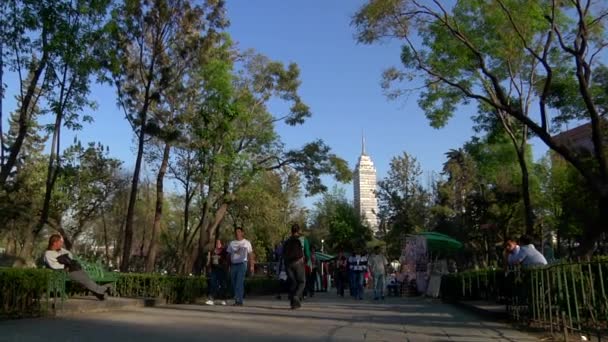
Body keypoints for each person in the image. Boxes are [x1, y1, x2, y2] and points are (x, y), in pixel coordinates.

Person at [44, 234, 110, 301]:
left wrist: (65, 257)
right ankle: (101, 290)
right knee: (84, 279)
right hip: (62, 272)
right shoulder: (48, 253)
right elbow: (54, 265)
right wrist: (65, 266)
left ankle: (99, 292)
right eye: (60, 242)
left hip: (71, 269)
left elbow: (69, 254)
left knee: (85, 278)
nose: (62, 244)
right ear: (54, 243)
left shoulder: (60, 250)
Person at [226, 227, 254, 306]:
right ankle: (237, 298)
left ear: (242, 233)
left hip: (242, 264)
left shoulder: (246, 242)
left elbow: (251, 254)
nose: (237, 233)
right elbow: (228, 255)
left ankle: (239, 300)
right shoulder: (232, 243)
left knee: (239, 282)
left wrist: (252, 266)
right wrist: (228, 266)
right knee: (234, 282)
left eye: (239, 232)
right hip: (233, 265)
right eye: (236, 232)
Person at [283, 223, 307, 309]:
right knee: (302, 281)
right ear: (298, 230)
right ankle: (296, 296)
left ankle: (293, 303)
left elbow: (283, 253)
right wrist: (303, 260)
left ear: (291, 231)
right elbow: (301, 253)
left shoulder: (287, 241)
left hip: (288, 264)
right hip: (297, 262)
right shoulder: (298, 240)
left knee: (293, 282)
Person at [205, 239, 229, 306]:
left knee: (222, 284)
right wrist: (209, 265)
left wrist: (226, 266)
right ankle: (211, 299)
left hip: (222, 269)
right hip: (214, 269)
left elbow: (227, 260)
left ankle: (224, 299)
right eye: (216, 243)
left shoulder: (224, 251)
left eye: (219, 243)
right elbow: (209, 259)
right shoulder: (212, 251)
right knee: (213, 283)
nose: (217, 244)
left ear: (221, 244)